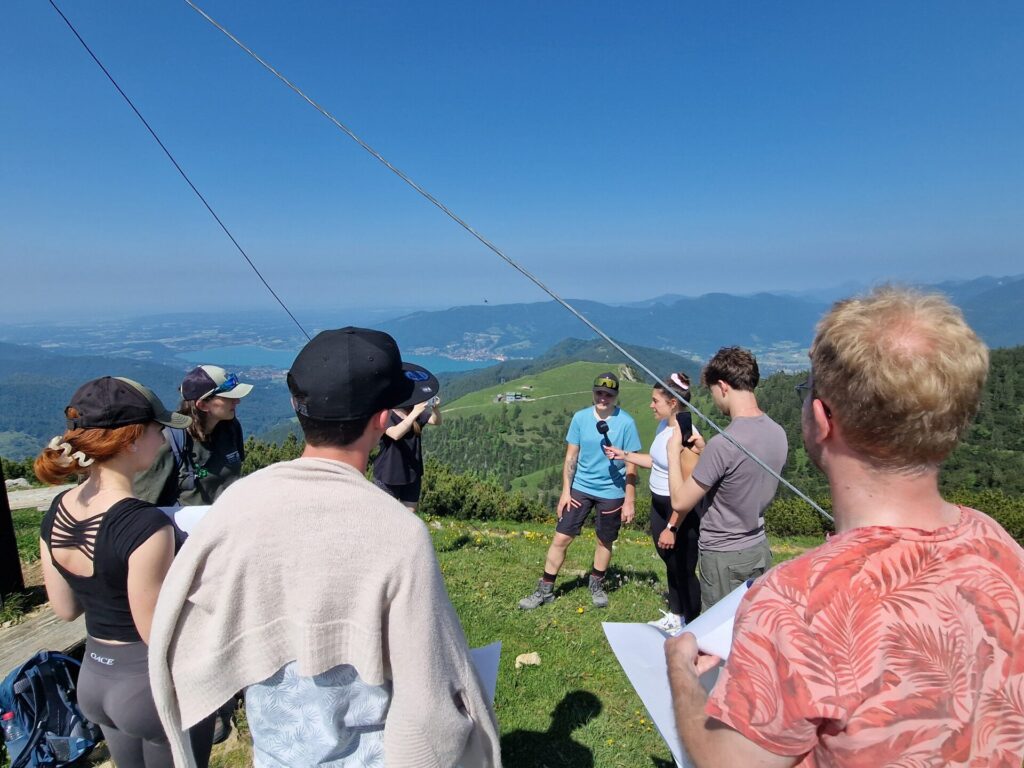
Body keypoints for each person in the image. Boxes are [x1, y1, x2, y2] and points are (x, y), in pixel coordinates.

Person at [666, 287, 1024, 767]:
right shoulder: (1000, 545)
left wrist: (681, 678)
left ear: (822, 418)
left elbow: (725, 762)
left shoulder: (798, 602)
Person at [148, 327, 501, 768]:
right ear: (380, 419)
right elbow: (430, 696)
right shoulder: (397, 530)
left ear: (300, 412)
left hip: (276, 751)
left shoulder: (237, 504)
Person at [34, 377, 213, 768]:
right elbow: (157, 633)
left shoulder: (58, 508)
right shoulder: (145, 525)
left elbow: (64, 609)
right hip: (147, 685)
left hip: (96, 680)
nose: (164, 441)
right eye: (157, 430)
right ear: (131, 439)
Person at [665, 347, 787, 611]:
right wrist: (704, 453)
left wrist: (673, 454)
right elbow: (741, 478)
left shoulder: (726, 443)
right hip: (758, 547)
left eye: (712, 392)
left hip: (723, 555)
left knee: (720, 638)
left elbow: (679, 501)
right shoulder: (777, 432)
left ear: (722, 386)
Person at [518, 371, 641, 610]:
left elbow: (632, 463)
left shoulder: (626, 423)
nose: (603, 398)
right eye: (599, 393)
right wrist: (566, 491)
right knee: (561, 536)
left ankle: (596, 585)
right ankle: (545, 589)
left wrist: (629, 500)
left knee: (604, 540)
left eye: (609, 394)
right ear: (593, 392)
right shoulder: (580, 418)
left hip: (612, 491)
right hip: (581, 488)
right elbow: (571, 456)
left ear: (616, 396)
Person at [604, 372, 702, 634]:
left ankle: (693, 624)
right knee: (670, 562)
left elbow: (690, 485)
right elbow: (656, 461)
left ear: (672, 403)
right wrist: (624, 455)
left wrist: (672, 526)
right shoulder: (664, 427)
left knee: (684, 566)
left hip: (678, 510)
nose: (651, 405)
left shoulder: (687, 435)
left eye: (655, 400)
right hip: (660, 504)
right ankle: (676, 614)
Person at [133, 365, 253, 507]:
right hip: (186, 528)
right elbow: (143, 503)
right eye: (228, 398)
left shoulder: (230, 428)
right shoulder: (167, 441)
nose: (237, 401)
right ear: (202, 405)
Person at [372, 373, 441, 511]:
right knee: (385, 515)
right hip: (388, 473)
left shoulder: (413, 412)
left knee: (409, 515)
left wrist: (435, 409)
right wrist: (415, 413)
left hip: (412, 473)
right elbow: (395, 434)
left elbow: (436, 421)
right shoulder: (387, 414)